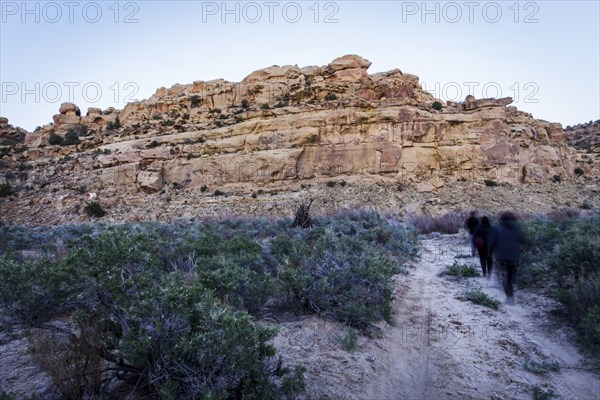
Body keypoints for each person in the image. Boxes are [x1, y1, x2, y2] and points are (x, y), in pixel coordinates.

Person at [487, 211, 525, 304]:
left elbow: (491, 243)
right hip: (514, 257)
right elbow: (524, 240)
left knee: (505, 277)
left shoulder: (496, 229)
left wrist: (489, 253)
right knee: (511, 277)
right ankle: (511, 292)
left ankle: (509, 298)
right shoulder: (517, 229)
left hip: (501, 257)